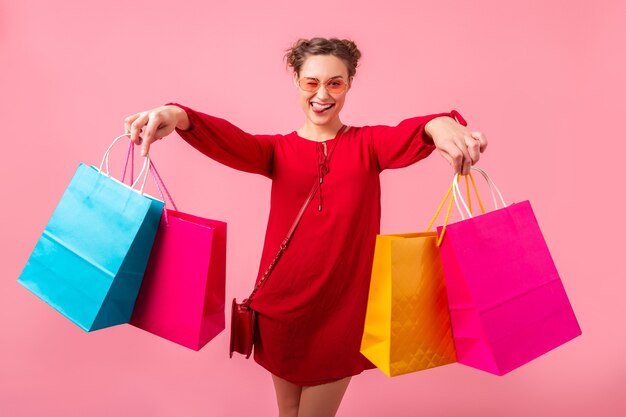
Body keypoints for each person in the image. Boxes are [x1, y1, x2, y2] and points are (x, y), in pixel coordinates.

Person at [124, 37, 487, 417]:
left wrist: (443, 124)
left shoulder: (370, 145)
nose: (322, 94)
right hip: (281, 313)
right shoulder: (276, 151)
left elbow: (416, 131)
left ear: (348, 85)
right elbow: (228, 140)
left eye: (335, 82)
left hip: (341, 315)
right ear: (297, 81)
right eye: (312, 82)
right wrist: (175, 114)